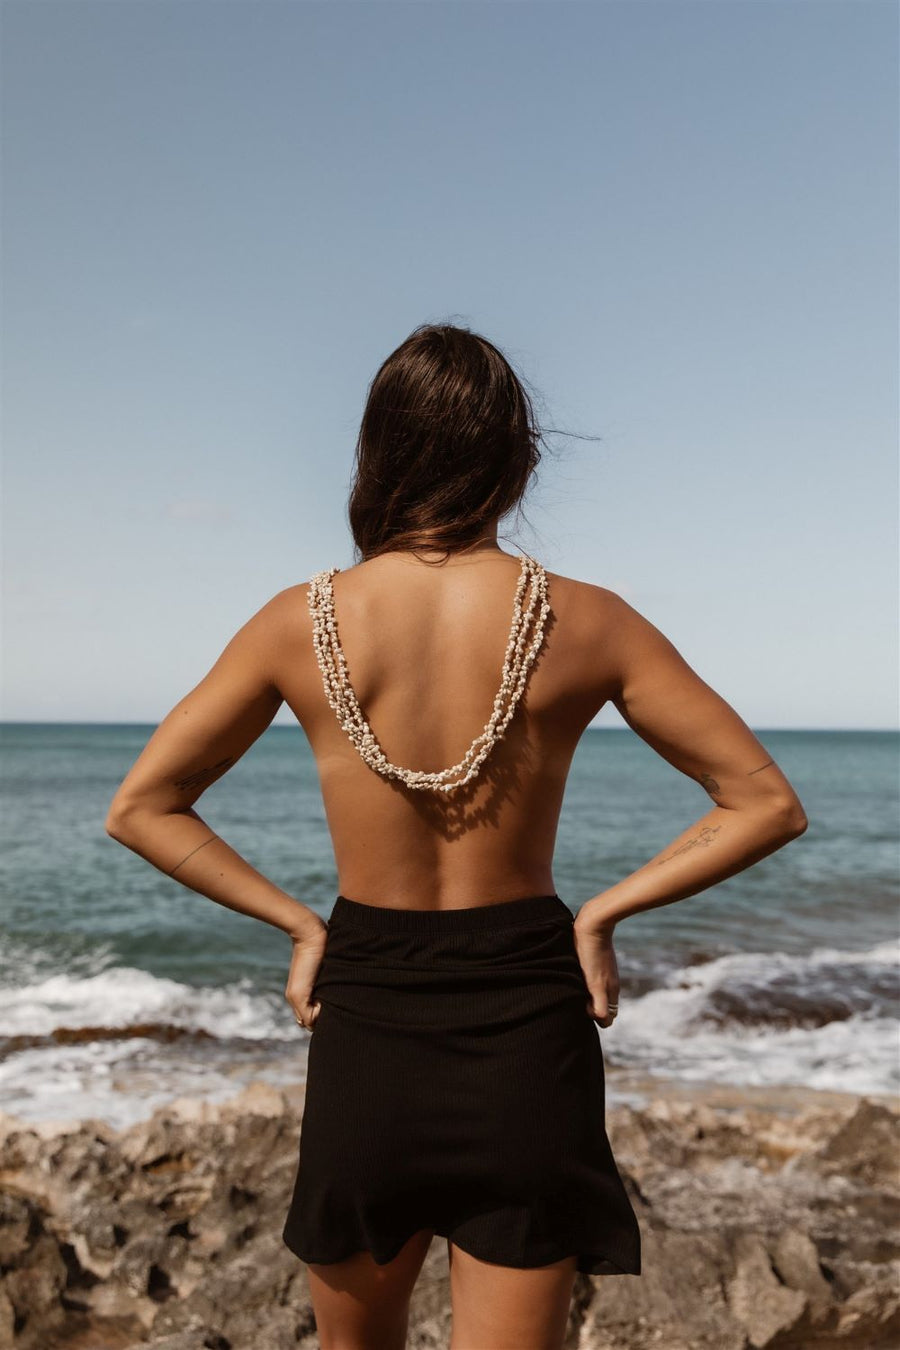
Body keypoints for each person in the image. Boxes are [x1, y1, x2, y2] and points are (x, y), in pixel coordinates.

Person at [105, 322, 808, 1350]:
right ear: (515, 458)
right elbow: (765, 801)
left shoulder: (300, 621)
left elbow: (141, 806)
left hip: (368, 1018)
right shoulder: (589, 620)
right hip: (529, 1023)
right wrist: (604, 913)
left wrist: (300, 926)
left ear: (378, 452)